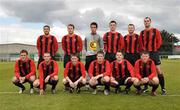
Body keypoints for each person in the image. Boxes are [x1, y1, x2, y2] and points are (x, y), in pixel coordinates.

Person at [139, 17, 166, 95]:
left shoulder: (155, 31)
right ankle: (146, 87)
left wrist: (154, 49)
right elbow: (140, 44)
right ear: (144, 22)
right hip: (145, 54)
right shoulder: (142, 32)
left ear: (150, 22)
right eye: (145, 21)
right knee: (144, 69)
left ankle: (163, 88)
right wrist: (143, 52)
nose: (146, 22)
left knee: (158, 70)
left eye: (148, 21)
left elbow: (159, 41)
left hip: (154, 53)